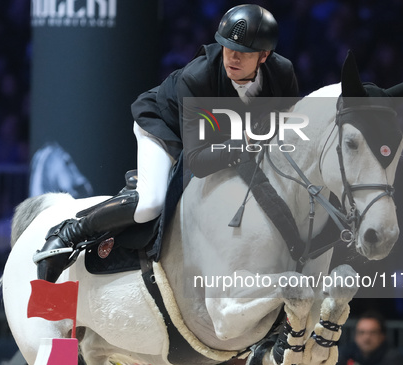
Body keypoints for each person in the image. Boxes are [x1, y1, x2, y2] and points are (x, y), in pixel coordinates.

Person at [33, 4, 300, 282]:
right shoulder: (198, 77)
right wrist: (245, 142)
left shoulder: (283, 74)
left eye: (243, 53)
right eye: (226, 47)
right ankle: (70, 232)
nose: (232, 57)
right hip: (164, 126)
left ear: (264, 56)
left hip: (221, 141)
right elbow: (196, 159)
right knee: (151, 203)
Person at [328, 310, 403, 365]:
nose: (366, 338)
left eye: (373, 333)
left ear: (382, 336)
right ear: (355, 335)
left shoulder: (393, 359)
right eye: (361, 332)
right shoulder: (342, 356)